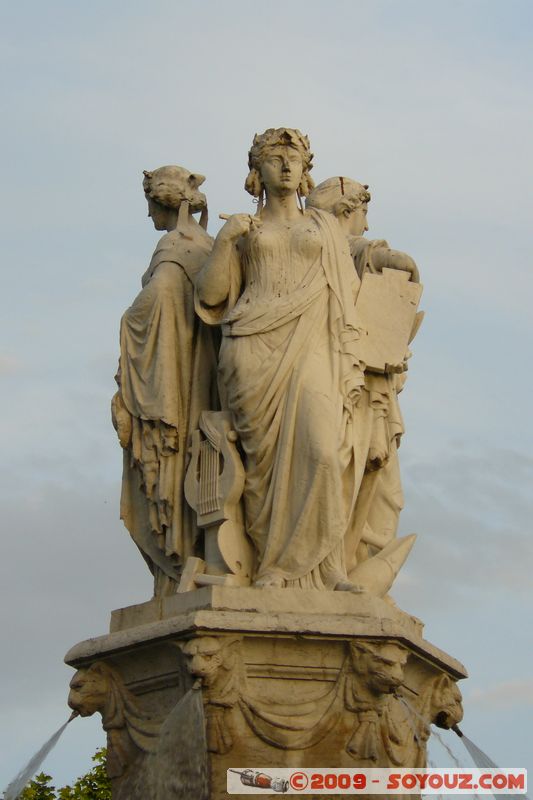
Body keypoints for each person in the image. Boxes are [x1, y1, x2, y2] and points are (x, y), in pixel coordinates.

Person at [195, 129, 375, 591]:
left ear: (305, 169)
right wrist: (224, 241)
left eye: (294, 159)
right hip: (252, 348)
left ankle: (328, 567)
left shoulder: (324, 226)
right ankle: (272, 565)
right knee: (264, 468)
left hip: (312, 344)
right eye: (275, 159)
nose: (287, 166)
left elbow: (351, 276)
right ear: (258, 170)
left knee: (322, 451)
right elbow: (211, 296)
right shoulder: (244, 229)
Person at [112, 165, 218, 595]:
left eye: (150, 204)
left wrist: (130, 321)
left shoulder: (174, 246)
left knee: (171, 467)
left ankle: (177, 564)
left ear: (162, 201)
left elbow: (158, 296)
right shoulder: (207, 245)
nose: (148, 214)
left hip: (172, 377)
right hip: (202, 372)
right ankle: (192, 557)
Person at [306, 177, 421, 568]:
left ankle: (350, 558)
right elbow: (383, 257)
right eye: (363, 212)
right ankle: (349, 560)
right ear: (345, 209)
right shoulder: (344, 247)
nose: (367, 224)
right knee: (374, 487)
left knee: (368, 483)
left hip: (357, 382)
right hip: (356, 389)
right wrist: (402, 266)